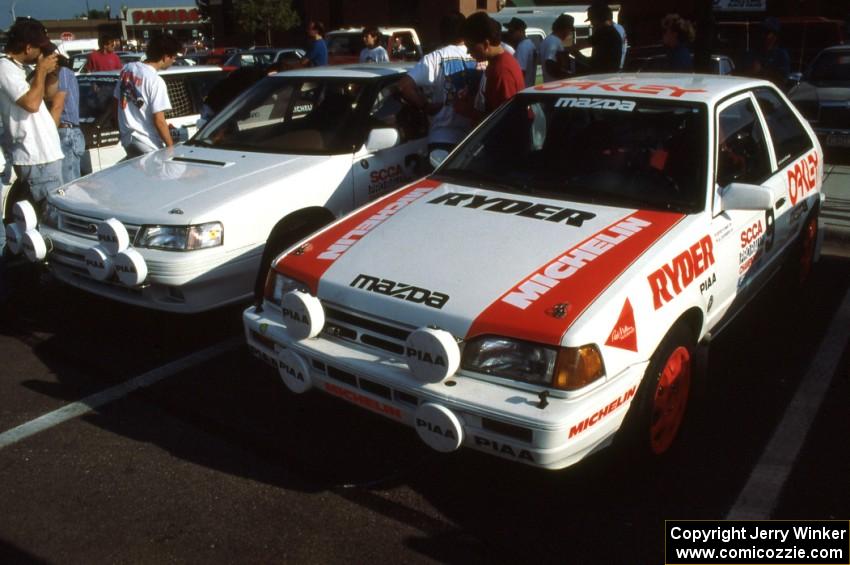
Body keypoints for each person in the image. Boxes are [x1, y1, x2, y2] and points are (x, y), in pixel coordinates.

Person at [398, 12, 480, 160]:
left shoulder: (435, 57)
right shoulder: (479, 55)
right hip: (476, 136)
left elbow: (404, 85)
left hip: (443, 138)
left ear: (442, 32)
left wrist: (425, 106)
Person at [113, 35, 180, 158]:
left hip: (127, 138)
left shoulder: (127, 69)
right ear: (165, 56)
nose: (174, 61)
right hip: (147, 141)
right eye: (174, 57)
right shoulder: (156, 81)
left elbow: (116, 100)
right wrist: (171, 147)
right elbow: (159, 120)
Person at [463, 12, 524, 118]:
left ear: (486, 44)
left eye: (471, 47)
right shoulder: (495, 63)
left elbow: (504, 118)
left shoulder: (502, 71)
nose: (468, 52)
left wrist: (465, 109)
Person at [44, 45, 85, 183]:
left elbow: (57, 106)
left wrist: (47, 136)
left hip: (66, 132)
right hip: (63, 131)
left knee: (69, 187)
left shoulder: (62, 72)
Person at [569, 2, 622, 75]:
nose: (591, 24)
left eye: (591, 20)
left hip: (602, 75)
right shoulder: (612, 31)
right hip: (609, 73)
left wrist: (571, 50)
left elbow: (580, 45)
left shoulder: (604, 32)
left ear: (597, 19)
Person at [744, 17, 790, 87]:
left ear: (775, 35)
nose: (763, 35)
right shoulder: (753, 52)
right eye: (762, 31)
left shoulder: (781, 55)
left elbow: (783, 79)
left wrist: (762, 70)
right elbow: (743, 74)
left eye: (767, 32)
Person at [539, 14, 575, 83]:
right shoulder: (553, 41)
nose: (569, 33)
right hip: (554, 84)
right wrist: (568, 76)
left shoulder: (550, 40)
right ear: (564, 28)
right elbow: (550, 64)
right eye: (569, 30)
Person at [507, 17, 537, 88]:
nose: (509, 34)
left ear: (520, 31)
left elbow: (520, 72)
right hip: (528, 86)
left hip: (522, 87)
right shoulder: (530, 44)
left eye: (512, 32)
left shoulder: (522, 47)